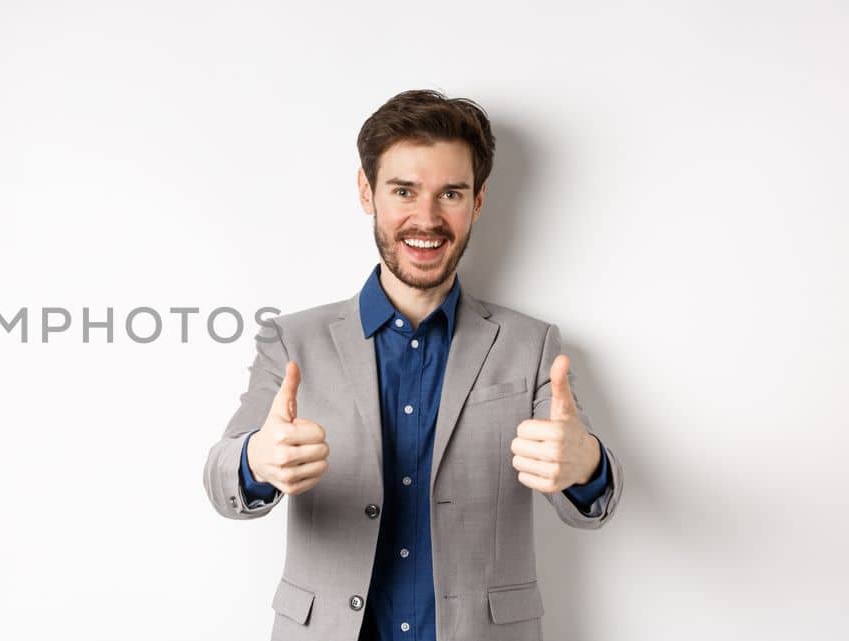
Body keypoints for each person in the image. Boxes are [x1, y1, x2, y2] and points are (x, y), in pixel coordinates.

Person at [201, 89, 622, 641]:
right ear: (366, 191)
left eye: (450, 193)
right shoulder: (291, 339)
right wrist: (257, 459)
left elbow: (589, 506)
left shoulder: (532, 344)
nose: (427, 219)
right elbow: (220, 482)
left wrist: (585, 464)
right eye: (404, 190)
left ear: (478, 201)